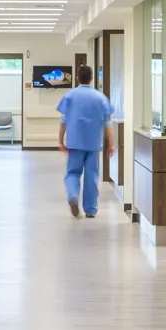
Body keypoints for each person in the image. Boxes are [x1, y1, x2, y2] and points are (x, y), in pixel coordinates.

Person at [55, 64, 114, 218]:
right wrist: (111, 144)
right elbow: (108, 124)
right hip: (94, 144)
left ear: (77, 78)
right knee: (91, 175)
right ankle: (90, 209)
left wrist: (60, 141)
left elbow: (63, 121)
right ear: (92, 78)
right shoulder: (101, 98)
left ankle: (73, 195)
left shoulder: (69, 96)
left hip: (75, 143)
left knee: (73, 173)